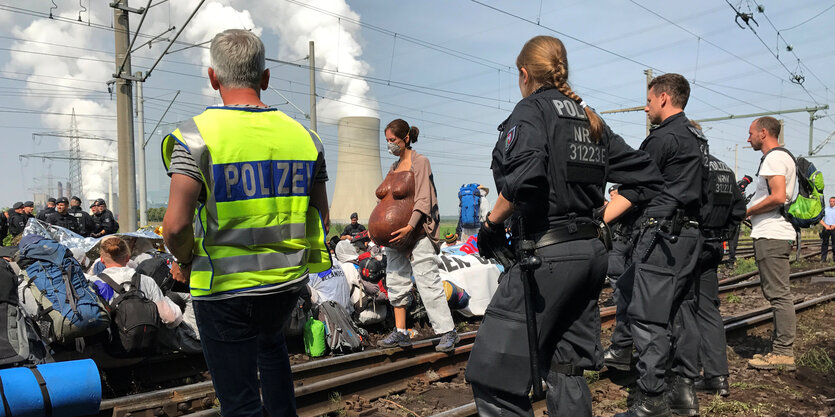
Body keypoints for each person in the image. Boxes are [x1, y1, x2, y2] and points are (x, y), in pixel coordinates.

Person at [465, 35, 663, 417]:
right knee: (566, 366)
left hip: (547, 259)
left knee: (495, 376)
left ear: (524, 74)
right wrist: (599, 218)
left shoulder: (531, 111)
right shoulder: (589, 119)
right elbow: (646, 176)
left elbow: (524, 180)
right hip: (590, 256)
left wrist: (490, 224)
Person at [161, 29, 330, 417]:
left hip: (223, 290)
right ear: (265, 78)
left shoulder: (195, 138)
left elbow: (174, 227)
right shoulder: (307, 138)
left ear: (213, 77)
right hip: (285, 284)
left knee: (239, 401)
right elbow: (319, 214)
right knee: (273, 352)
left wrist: (185, 259)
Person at [607, 73, 709, 417]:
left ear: (664, 98)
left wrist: (600, 221)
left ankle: (651, 400)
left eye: (649, 100)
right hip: (689, 236)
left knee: (649, 319)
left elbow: (635, 190)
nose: (646, 106)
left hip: (661, 236)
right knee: (680, 311)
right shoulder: (697, 137)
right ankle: (683, 393)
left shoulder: (662, 138)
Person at [374, 118, 460, 353]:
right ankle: (401, 332)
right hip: (394, 238)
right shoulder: (393, 168)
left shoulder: (421, 162)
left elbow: (423, 198)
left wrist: (410, 227)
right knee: (396, 280)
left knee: (427, 281)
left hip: (417, 233)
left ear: (406, 138)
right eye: (387, 141)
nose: (389, 144)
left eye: (392, 140)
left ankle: (447, 331)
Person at [673, 153, 746, 402]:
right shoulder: (724, 168)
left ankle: (686, 376)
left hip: (691, 242)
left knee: (684, 307)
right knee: (708, 309)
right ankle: (717, 378)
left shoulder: (692, 164)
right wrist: (723, 231)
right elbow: (739, 209)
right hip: (714, 244)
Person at [744, 116, 797, 371]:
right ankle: (780, 349)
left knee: (778, 295)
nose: (749, 138)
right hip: (774, 232)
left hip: (772, 233)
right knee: (777, 293)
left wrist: (749, 211)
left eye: (751, 133)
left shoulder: (774, 158)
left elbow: (778, 196)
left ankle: (783, 353)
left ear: (763, 133)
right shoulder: (782, 156)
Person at [90, 236, 183, 329]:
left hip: (108, 340)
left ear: (102, 260)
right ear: (127, 258)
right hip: (141, 339)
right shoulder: (146, 281)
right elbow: (170, 318)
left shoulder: (93, 283)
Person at [819, 197, 835, 262]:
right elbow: (820, 219)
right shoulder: (825, 210)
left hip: (834, 229)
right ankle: (823, 259)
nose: (832, 202)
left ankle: (834, 259)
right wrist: (826, 226)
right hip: (826, 228)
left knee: (834, 245)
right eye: (830, 201)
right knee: (824, 244)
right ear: (829, 202)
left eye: (833, 201)